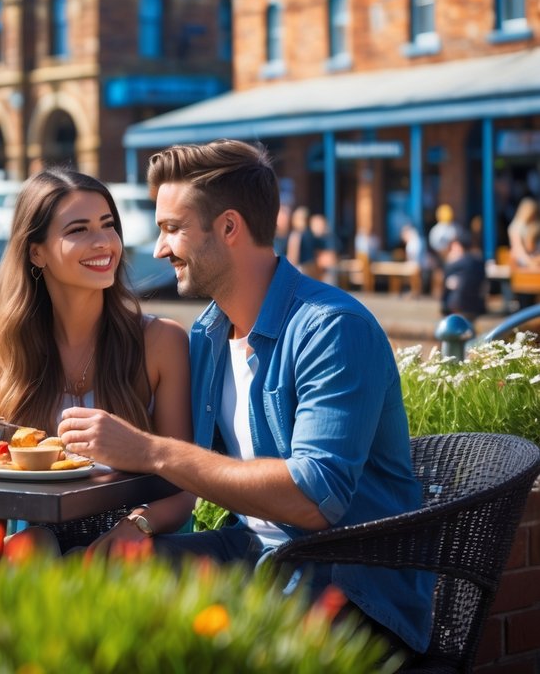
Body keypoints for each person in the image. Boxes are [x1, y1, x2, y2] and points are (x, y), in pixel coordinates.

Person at [57, 140, 431, 655]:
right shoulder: (209, 337)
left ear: (229, 228)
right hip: (256, 559)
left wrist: (148, 450)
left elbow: (314, 496)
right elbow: (165, 456)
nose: (160, 249)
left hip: (353, 589)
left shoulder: (332, 329)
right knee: (89, 579)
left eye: (172, 229)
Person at [0, 168, 196, 553]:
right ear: (36, 251)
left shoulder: (160, 341)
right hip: (42, 539)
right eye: (79, 230)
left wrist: (137, 525)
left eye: (108, 226)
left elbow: (187, 483)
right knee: (28, 550)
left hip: (137, 539)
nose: (103, 242)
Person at [441, 226, 486, 322]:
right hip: (476, 306)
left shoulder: (453, 264)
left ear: (458, 246)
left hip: (456, 306)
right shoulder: (479, 262)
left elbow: (445, 289)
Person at [507, 197, 540, 270]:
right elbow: (518, 251)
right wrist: (530, 262)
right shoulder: (516, 227)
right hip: (521, 263)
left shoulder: (532, 226)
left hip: (530, 260)